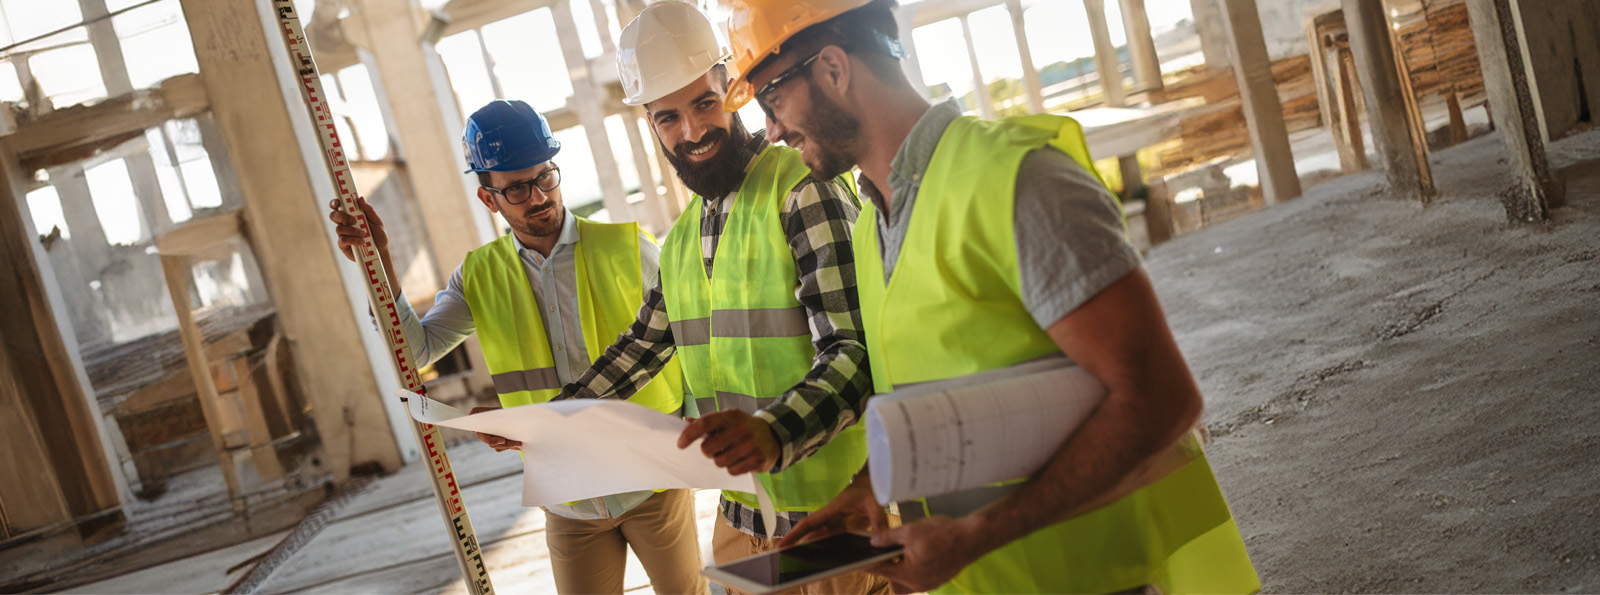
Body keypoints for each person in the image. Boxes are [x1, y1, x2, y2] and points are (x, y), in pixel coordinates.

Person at [720, 0, 1262, 593]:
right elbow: (936, 406)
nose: (770, 130)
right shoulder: (870, 231)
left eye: (771, 101)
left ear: (832, 69)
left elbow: (1162, 398)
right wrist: (869, 489)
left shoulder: (1016, 180)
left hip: (1103, 576)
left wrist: (976, 537)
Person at [556, 3, 885, 593]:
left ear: (732, 91)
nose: (693, 132)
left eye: (705, 103)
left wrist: (775, 432)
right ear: (651, 125)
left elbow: (855, 351)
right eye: (668, 118)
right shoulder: (682, 239)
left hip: (829, 515)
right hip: (740, 519)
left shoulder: (801, 188)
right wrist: (548, 419)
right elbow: (642, 347)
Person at [328, 100, 706, 595]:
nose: (539, 197)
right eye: (516, 189)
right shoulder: (478, 277)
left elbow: (691, 341)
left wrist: (698, 430)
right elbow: (416, 352)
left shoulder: (629, 248)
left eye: (545, 177)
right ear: (490, 198)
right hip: (568, 499)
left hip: (652, 484)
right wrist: (380, 270)